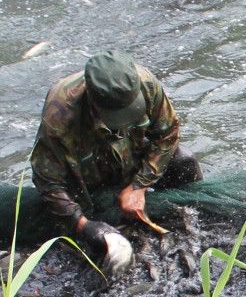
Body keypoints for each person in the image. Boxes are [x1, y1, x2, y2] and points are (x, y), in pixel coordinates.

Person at [30, 50, 202, 268]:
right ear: (94, 103)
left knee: (184, 160)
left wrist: (139, 185)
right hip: (88, 174)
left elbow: (168, 135)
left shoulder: (146, 84)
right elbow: (48, 180)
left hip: (132, 160)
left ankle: (197, 220)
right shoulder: (60, 112)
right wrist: (83, 225)